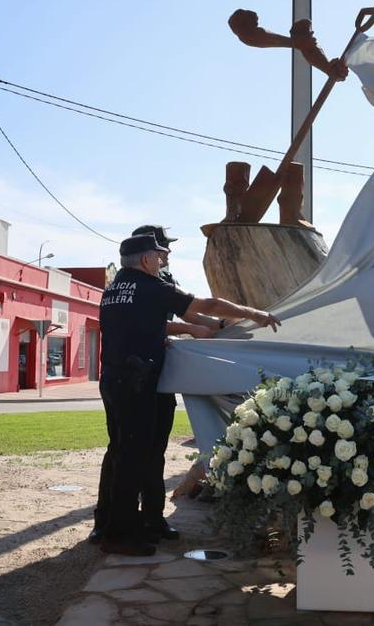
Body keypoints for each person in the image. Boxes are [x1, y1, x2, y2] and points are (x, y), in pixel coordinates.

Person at [94, 233, 280, 556]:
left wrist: (210, 327)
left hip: (113, 380)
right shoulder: (151, 287)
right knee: (133, 458)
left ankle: (120, 524)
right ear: (145, 260)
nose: (162, 259)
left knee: (124, 454)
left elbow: (153, 324)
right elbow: (204, 306)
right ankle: (119, 535)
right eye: (158, 254)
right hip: (136, 383)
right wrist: (255, 315)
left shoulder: (113, 289)